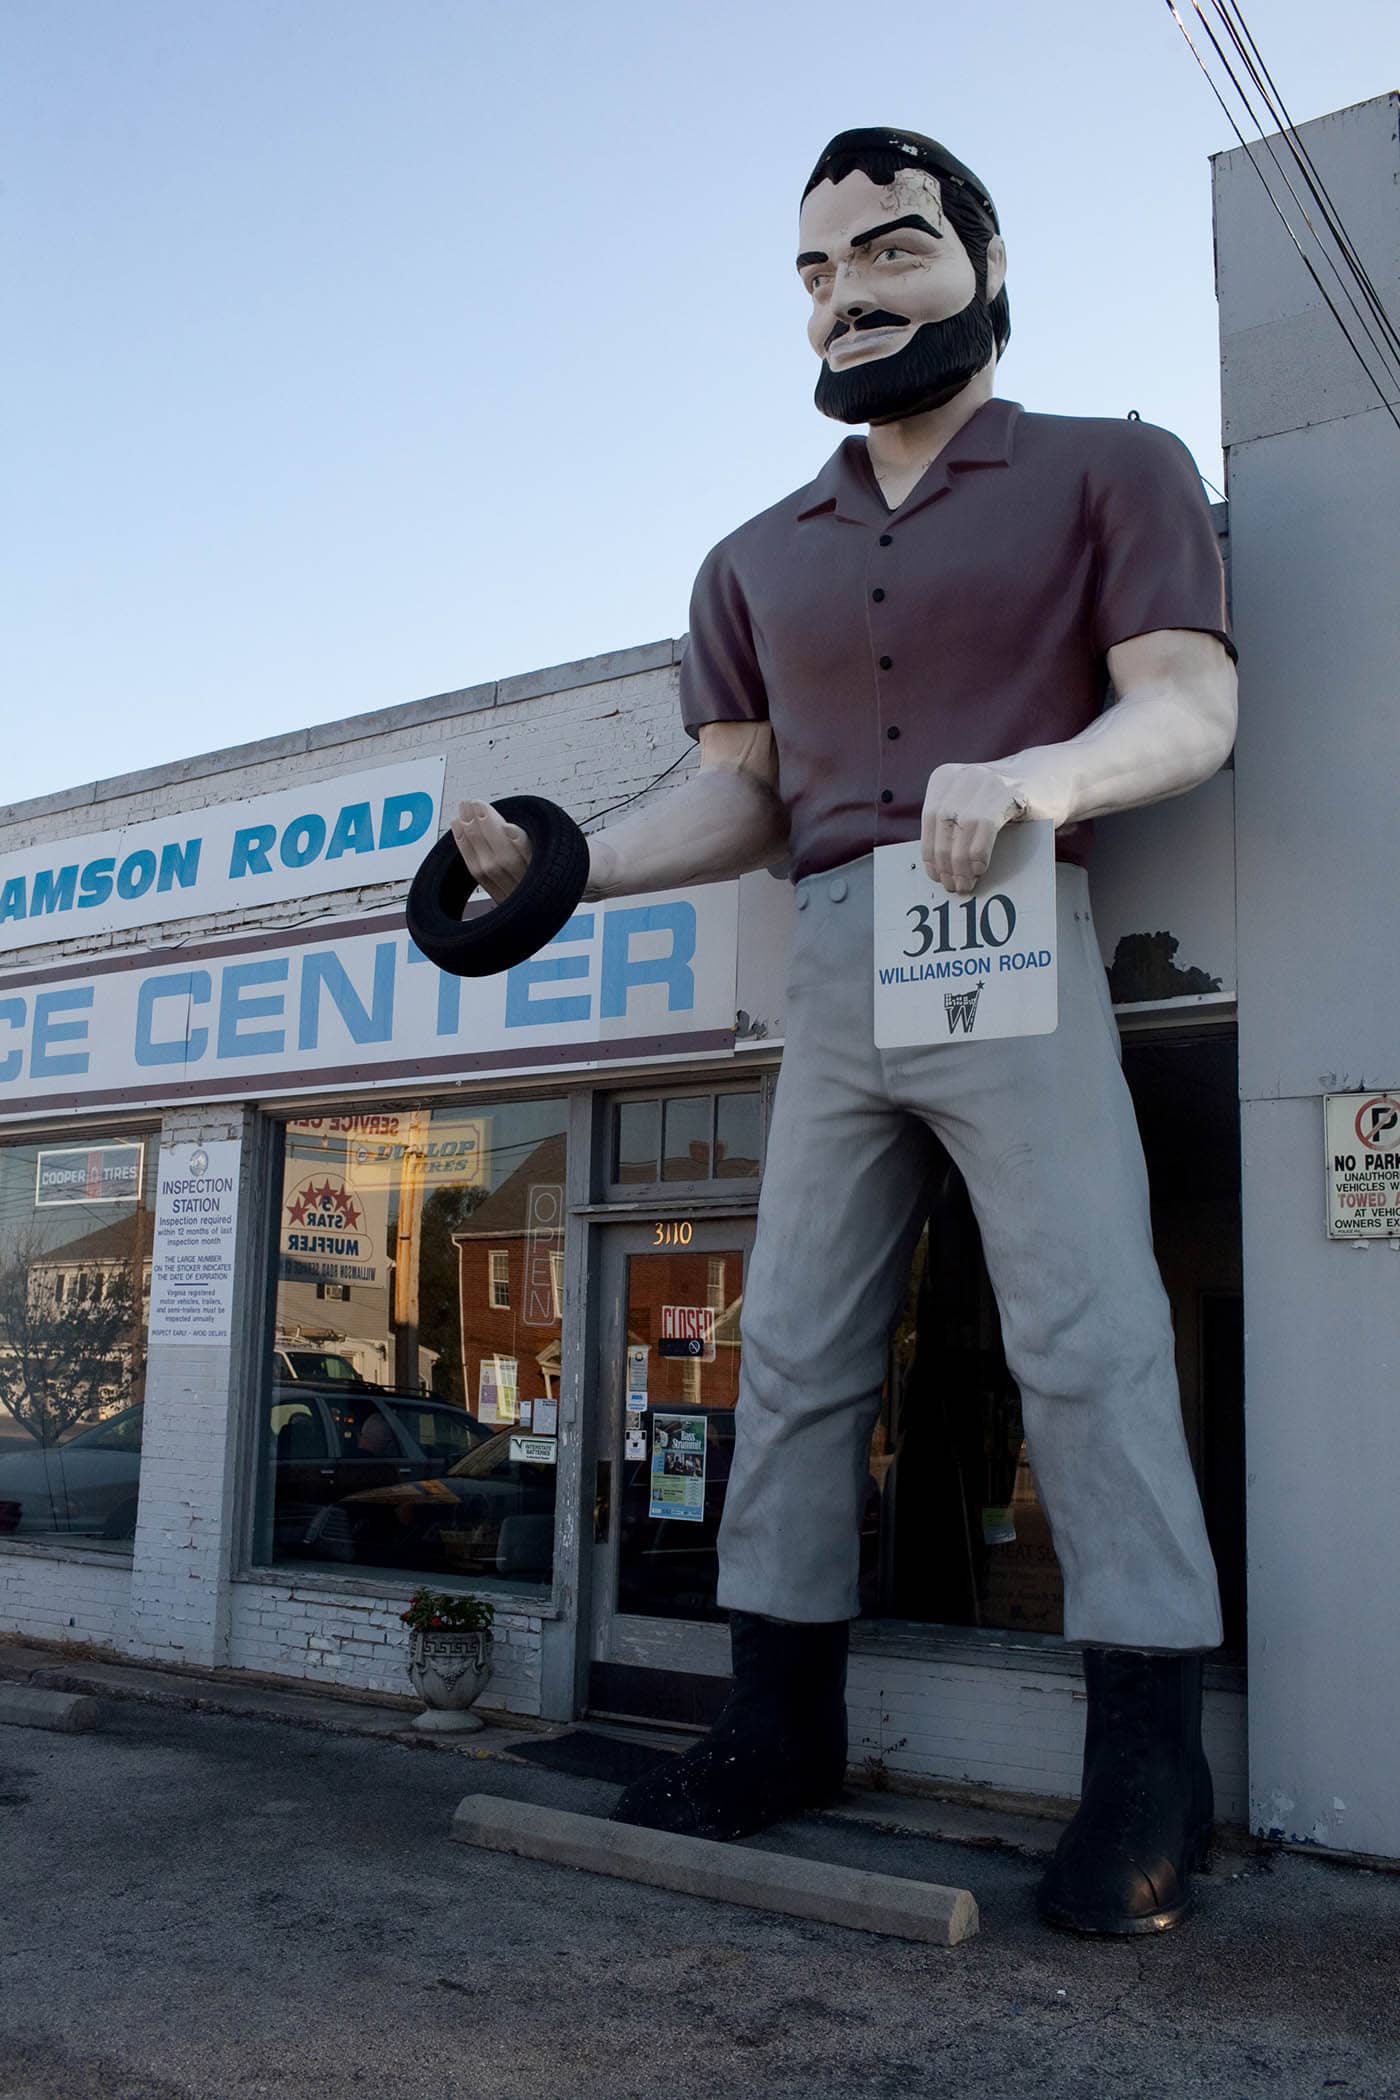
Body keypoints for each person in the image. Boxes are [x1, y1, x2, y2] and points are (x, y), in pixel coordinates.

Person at [450, 127, 1237, 1935]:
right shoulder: (754, 557)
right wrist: (561, 860)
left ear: (979, 255)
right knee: (790, 1345)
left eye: (888, 250)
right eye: (816, 273)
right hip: (830, 950)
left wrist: (1040, 776)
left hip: (1013, 920)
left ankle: (1147, 1760)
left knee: (1090, 1333)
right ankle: (776, 1716)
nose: (848, 295)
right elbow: (740, 796)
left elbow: (1189, 705)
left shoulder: (1118, 468)